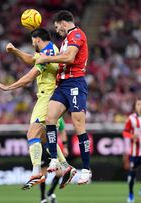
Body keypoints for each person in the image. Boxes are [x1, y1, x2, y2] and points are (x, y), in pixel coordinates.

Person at [0, 28, 76, 190]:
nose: (32, 45)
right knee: (45, 139)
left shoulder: (48, 54)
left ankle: (36, 172)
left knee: (32, 133)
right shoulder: (50, 50)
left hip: (47, 97)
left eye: (33, 41)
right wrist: (15, 51)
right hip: (50, 97)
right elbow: (32, 59)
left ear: (38, 39)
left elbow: (29, 77)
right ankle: (67, 167)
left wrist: (8, 87)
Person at [35, 10, 92, 184]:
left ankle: (86, 169)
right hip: (63, 84)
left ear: (64, 23)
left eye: (57, 26)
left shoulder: (76, 34)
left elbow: (69, 57)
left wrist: (47, 58)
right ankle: (54, 158)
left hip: (75, 83)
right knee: (49, 118)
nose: (57, 30)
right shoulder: (66, 40)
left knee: (78, 124)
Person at [40, 117, 69, 203]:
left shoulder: (60, 118)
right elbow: (34, 131)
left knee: (60, 173)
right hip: (42, 147)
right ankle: (43, 198)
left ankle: (50, 193)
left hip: (53, 147)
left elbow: (62, 131)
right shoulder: (42, 114)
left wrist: (65, 147)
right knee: (43, 175)